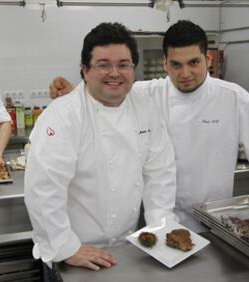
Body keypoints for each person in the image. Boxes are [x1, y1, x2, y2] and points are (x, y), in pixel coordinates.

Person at [49, 20, 249, 232]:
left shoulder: (233, 97)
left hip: (215, 218)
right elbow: (106, 92)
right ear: (164, 63)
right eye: (176, 64)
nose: (185, 73)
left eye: (193, 62)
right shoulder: (146, 93)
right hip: (157, 217)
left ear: (208, 59)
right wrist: (74, 91)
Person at [24, 22, 177, 273]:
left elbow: (160, 172)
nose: (114, 73)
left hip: (126, 248)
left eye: (123, 65)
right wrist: (66, 246)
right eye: (103, 65)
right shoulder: (63, 115)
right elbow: (44, 188)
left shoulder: (145, 108)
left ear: (133, 68)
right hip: (73, 253)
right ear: (85, 71)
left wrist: (160, 227)